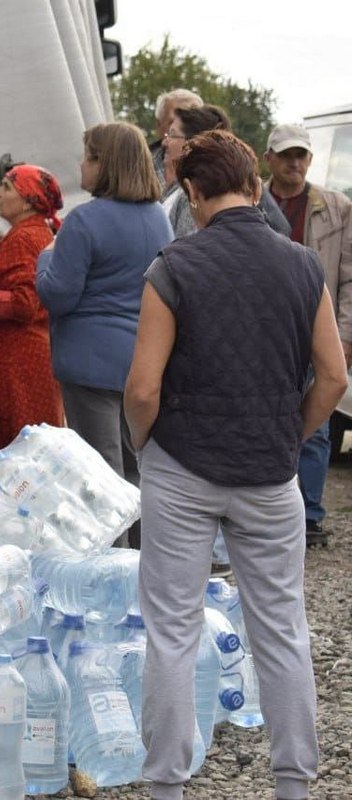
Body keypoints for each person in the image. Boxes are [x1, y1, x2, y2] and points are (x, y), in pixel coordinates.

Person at [125, 129, 346, 800]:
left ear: (193, 192)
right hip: (270, 474)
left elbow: (142, 388)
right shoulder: (304, 265)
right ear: (254, 186)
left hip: (182, 467)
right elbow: (334, 379)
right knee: (282, 629)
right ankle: (293, 785)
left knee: (172, 631)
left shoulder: (173, 266)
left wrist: (145, 448)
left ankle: (166, 785)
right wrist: (289, 435)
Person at [36, 121, 171, 546]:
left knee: (100, 475)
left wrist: (44, 258)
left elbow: (58, 295)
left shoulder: (84, 221)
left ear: (104, 163)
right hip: (138, 362)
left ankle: (113, 569)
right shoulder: (157, 218)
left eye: (88, 156)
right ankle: (144, 567)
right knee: (134, 471)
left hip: (89, 364)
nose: (81, 163)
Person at [264, 122, 352, 547]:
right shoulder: (253, 202)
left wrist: (345, 334)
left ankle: (311, 515)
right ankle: (270, 511)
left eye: (300, 154)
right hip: (265, 327)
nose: (294, 162)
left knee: (317, 424)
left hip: (316, 325)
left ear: (311, 159)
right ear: (270, 160)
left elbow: (350, 278)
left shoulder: (337, 207)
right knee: (266, 415)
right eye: (285, 155)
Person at [0, 164, 65, 479]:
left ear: (28, 201)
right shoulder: (26, 234)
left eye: (6, 187)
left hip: (18, 373)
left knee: (18, 468)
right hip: (12, 369)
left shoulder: (25, 239)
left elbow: (24, 304)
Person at [160, 104, 290, 239]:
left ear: (194, 142)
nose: (165, 142)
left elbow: (187, 248)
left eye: (172, 134)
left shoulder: (200, 192)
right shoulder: (181, 188)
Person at [149, 88, 202, 187]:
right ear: (158, 125)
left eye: (192, 122)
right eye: (173, 122)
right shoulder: (139, 165)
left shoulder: (216, 168)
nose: (184, 127)